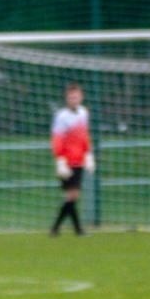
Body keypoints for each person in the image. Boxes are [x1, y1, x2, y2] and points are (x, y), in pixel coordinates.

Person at [50, 81, 95, 237]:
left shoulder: (84, 113)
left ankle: (59, 229)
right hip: (67, 162)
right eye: (71, 98)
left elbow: (85, 136)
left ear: (81, 97)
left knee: (72, 196)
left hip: (79, 161)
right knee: (72, 196)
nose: (73, 100)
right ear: (66, 99)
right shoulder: (61, 117)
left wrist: (88, 154)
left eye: (76, 97)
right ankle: (73, 230)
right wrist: (60, 160)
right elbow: (57, 139)